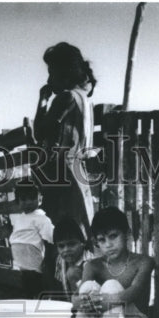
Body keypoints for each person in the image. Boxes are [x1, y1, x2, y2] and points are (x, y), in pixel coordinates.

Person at [73, 207, 154, 318]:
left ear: (127, 233)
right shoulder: (93, 265)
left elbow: (133, 292)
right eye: (102, 240)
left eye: (113, 236)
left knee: (111, 285)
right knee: (87, 288)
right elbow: (75, 300)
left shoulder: (143, 262)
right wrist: (85, 301)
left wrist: (103, 302)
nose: (108, 245)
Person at [33, 42, 96, 233]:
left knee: (59, 230)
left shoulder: (65, 98)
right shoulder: (84, 98)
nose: (49, 78)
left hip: (61, 174)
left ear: (64, 73)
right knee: (80, 226)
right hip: (77, 170)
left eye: (51, 72)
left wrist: (42, 100)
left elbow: (39, 132)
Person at [7, 183, 54, 298]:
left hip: (32, 257)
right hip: (21, 262)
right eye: (23, 199)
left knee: (36, 285)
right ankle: (31, 304)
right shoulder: (20, 218)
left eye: (32, 198)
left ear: (40, 199)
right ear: (17, 202)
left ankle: (39, 304)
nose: (28, 202)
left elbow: (51, 237)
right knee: (27, 286)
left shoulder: (42, 219)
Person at [51, 216, 92, 298]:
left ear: (82, 243)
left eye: (71, 244)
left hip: (89, 301)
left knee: (72, 272)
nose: (66, 250)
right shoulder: (60, 260)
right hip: (69, 302)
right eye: (61, 246)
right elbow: (60, 283)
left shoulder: (90, 260)